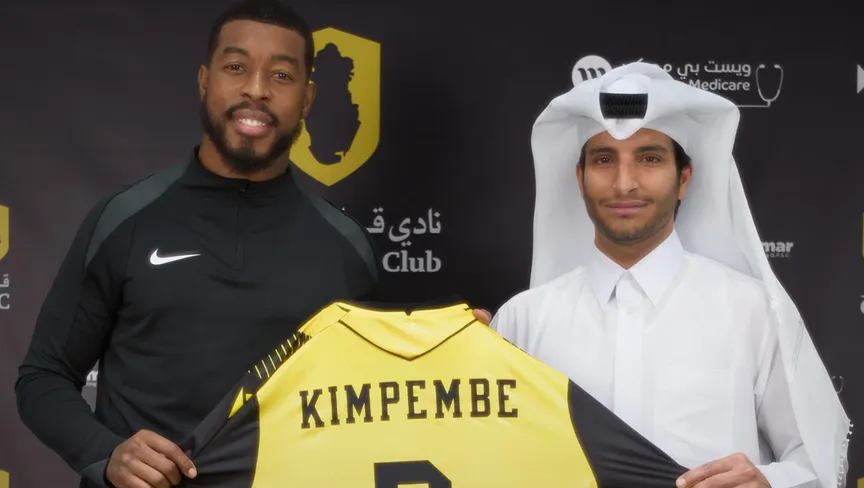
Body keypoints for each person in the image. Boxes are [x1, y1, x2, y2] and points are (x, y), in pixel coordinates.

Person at [14, 2, 483, 488]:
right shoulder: (124, 221)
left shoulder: (346, 248)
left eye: (281, 75)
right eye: (236, 67)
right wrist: (107, 453)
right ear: (204, 80)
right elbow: (43, 377)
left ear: (307, 98)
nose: (256, 89)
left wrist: (463, 351)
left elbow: (378, 399)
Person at [488, 62, 851, 488]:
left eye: (649, 159)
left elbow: (818, 457)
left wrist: (770, 482)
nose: (624, 183)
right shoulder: (522, 322)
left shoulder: (751, 311)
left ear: (684, 178)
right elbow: (483, 457)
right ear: (580, 178)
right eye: (604, 159)